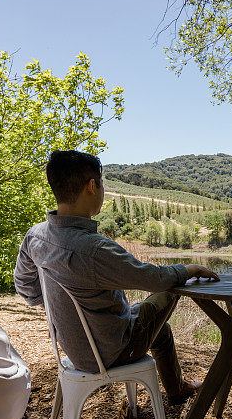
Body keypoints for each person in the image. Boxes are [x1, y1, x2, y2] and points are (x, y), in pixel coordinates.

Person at [14, 150, 219, 403]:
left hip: (73, 349)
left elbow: (24, 286)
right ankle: (178, 389)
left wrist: (56, 316)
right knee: (168, 289)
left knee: (161, 331)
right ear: (92, 186)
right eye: (102, 184)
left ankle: (177, 389)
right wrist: (189, 269)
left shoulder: (35, 236)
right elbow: (155, 279)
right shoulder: (95, 250)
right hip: (112, 351)